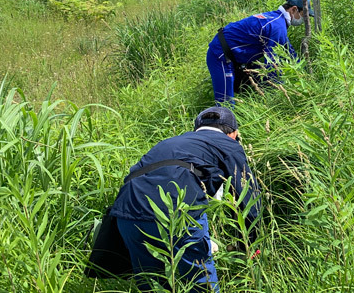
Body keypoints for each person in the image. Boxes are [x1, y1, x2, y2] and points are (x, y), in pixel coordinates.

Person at [110, 106, 260, 292]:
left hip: (127, 210)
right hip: (177, 209)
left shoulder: (171, 142)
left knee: (151, 285)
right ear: (234, 134)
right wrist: (249, 243)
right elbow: (247, 194)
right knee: (201, 283)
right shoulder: (228, 143)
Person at [206, 0, 313, 104]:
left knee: (257, 81)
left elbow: (288, 50)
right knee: (226, 103)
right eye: (304, 15)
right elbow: (272, 64)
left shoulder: (276, 19)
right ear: (294, 9)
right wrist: (279, 93)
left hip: (235, 56)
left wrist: (304, 73)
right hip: (221, 55)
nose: (304, 20)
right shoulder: (277, 26)